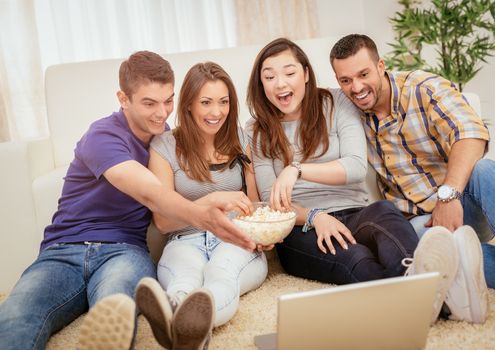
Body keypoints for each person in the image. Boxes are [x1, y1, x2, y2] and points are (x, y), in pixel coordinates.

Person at [0, 51, 257, 350]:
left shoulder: (165, 138)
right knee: (17, 313)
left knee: (116, 307)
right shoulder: (102, 135)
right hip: (63, 250)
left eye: (167, 100)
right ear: (123, 98)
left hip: (125, 251)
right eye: (149, 103)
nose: (162, 113)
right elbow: (152, 193)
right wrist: (207, 209)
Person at [245, 37, 468, 324]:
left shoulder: (336, 101)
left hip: (354, 211)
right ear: (261, 84)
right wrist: (315, 216)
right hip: (300, 228)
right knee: (356, 257)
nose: (280, 83)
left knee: (385, 214)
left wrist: (296, 169)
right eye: (269, 76)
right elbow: (271, 202)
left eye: (289, 73)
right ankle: (431, 303)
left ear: (306, 74)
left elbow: (355, 167)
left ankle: (419, 288)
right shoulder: (257, 129)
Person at [329, 34, 495, 295]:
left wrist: (448, 196)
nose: (356, 87)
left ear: (381, 66)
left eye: (363, 74)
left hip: (460, 200)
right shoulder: (347, 112)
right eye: (346, 80)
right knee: (419, 247)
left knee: (484, 170)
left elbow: (471, 133)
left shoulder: (423, 87)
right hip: (422, 221)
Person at [135, 62, 268, 350]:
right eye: (206, 102)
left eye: (223, 102)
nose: (216, 112)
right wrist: (211, 201)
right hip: (184, 239)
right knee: (184, 279)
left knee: (221, 276)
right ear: (189, 105)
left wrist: (264, 233)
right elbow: (163, 222)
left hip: (234, 237)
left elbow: (255, 206)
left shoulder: (242, 140)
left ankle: (184, 326)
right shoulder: (164, 146)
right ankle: (178, 317)